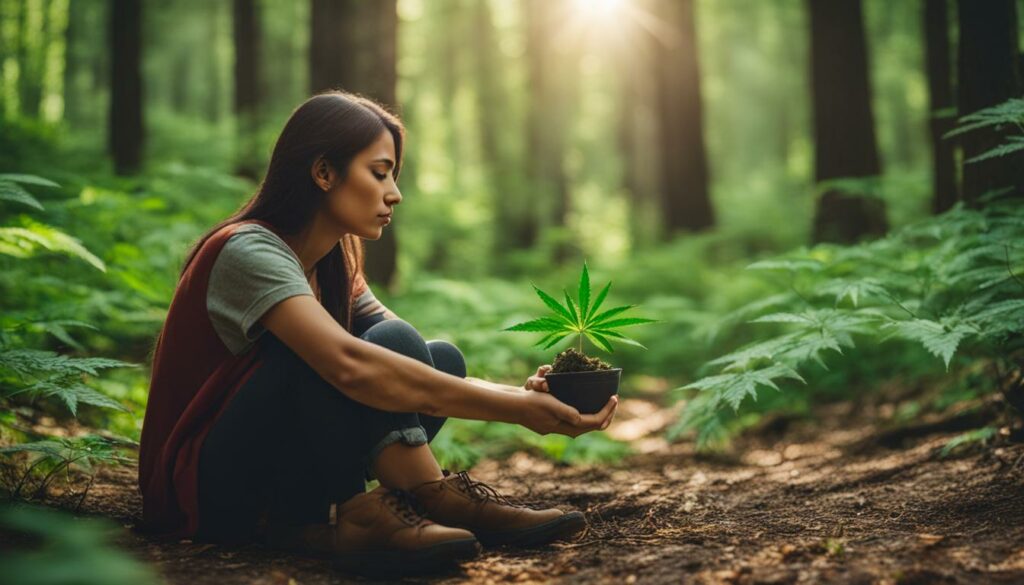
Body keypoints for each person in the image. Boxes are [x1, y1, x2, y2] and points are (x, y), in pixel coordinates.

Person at [137, 91, 618, 577]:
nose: (395, 193)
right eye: (379, 172)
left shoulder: (334, 262)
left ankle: (320, 519)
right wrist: (516, 412)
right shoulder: (247, 250)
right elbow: (349, 365)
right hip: (203, 488)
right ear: (324, 173)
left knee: (433, 355)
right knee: (325, 354)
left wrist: (525, 396)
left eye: (394, 175)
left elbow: (397, 357)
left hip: (271, 473)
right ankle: (412, 503)